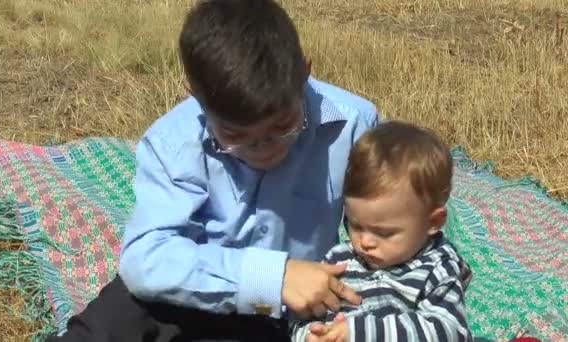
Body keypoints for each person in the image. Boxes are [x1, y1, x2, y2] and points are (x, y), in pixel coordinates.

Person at [47, 0, 378, 341]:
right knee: (118, 314)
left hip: (292, 312)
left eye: (283, 127)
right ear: (197, 100)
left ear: (305, 73)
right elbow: (146, 259)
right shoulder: (173, 142)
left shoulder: (353, 125)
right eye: (236, 137)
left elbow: (380, 222)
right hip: (194, 295)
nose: (264, 148)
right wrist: (273, 278)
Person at [291, 121, 473, 342]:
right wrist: (311, 334)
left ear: (432, 222)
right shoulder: (340, 261)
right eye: (355, 225)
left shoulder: (437, 268)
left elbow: (449, 332)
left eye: (384, 233)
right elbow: (305, 314)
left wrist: (359, 333)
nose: (365, 241)